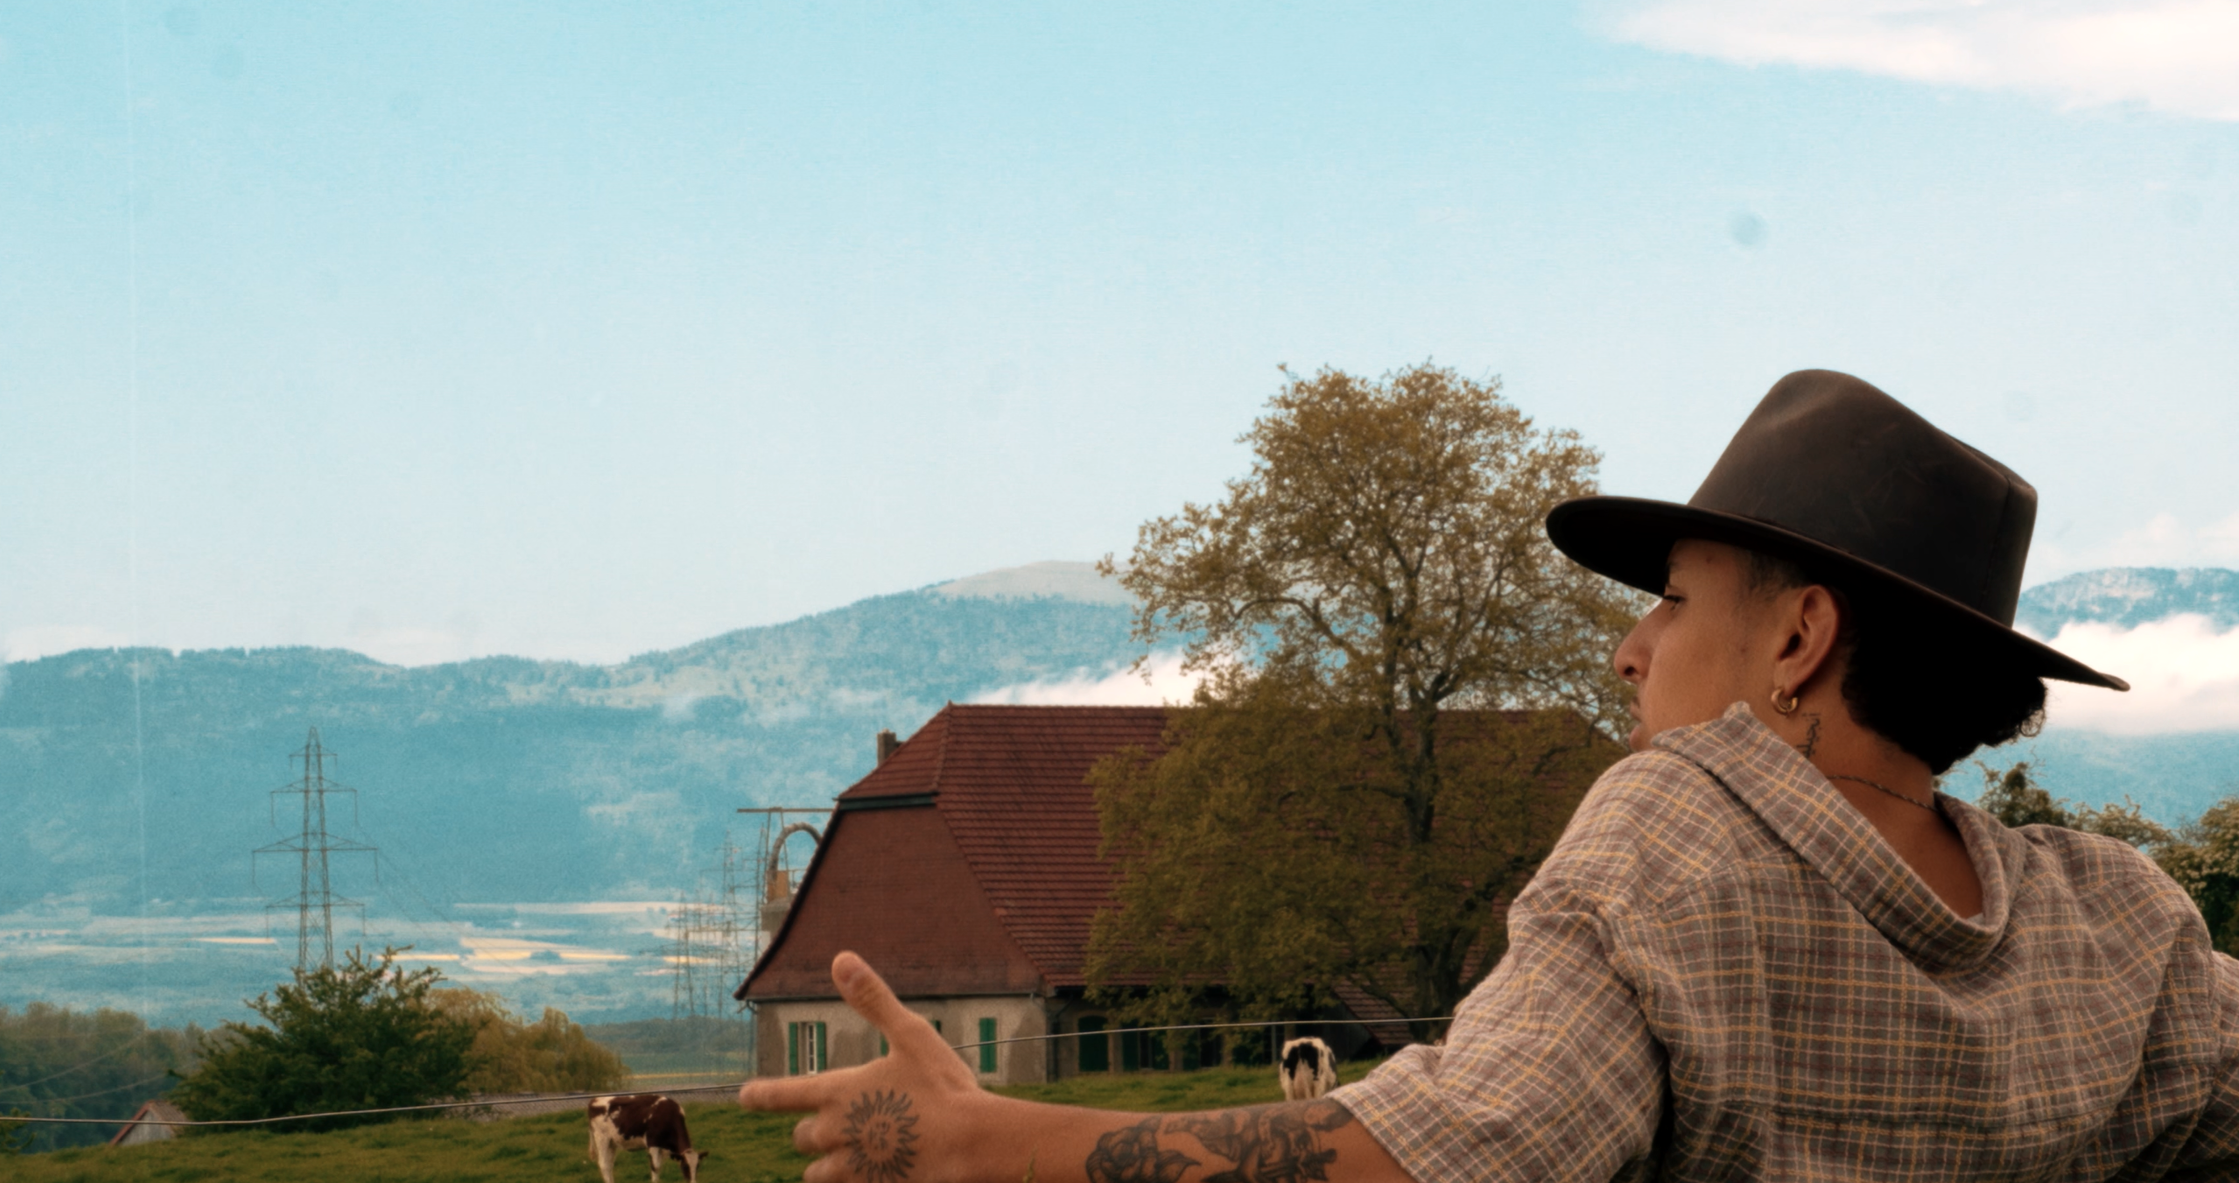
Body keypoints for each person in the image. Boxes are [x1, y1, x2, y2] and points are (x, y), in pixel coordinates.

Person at [741, 370, 2239, 1182]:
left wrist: (991, 1141)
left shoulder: (1682, 829)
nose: (1627, 651)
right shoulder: (2119, 919)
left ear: (1797, 636)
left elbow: (1464, 1156)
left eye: (1671, 598)